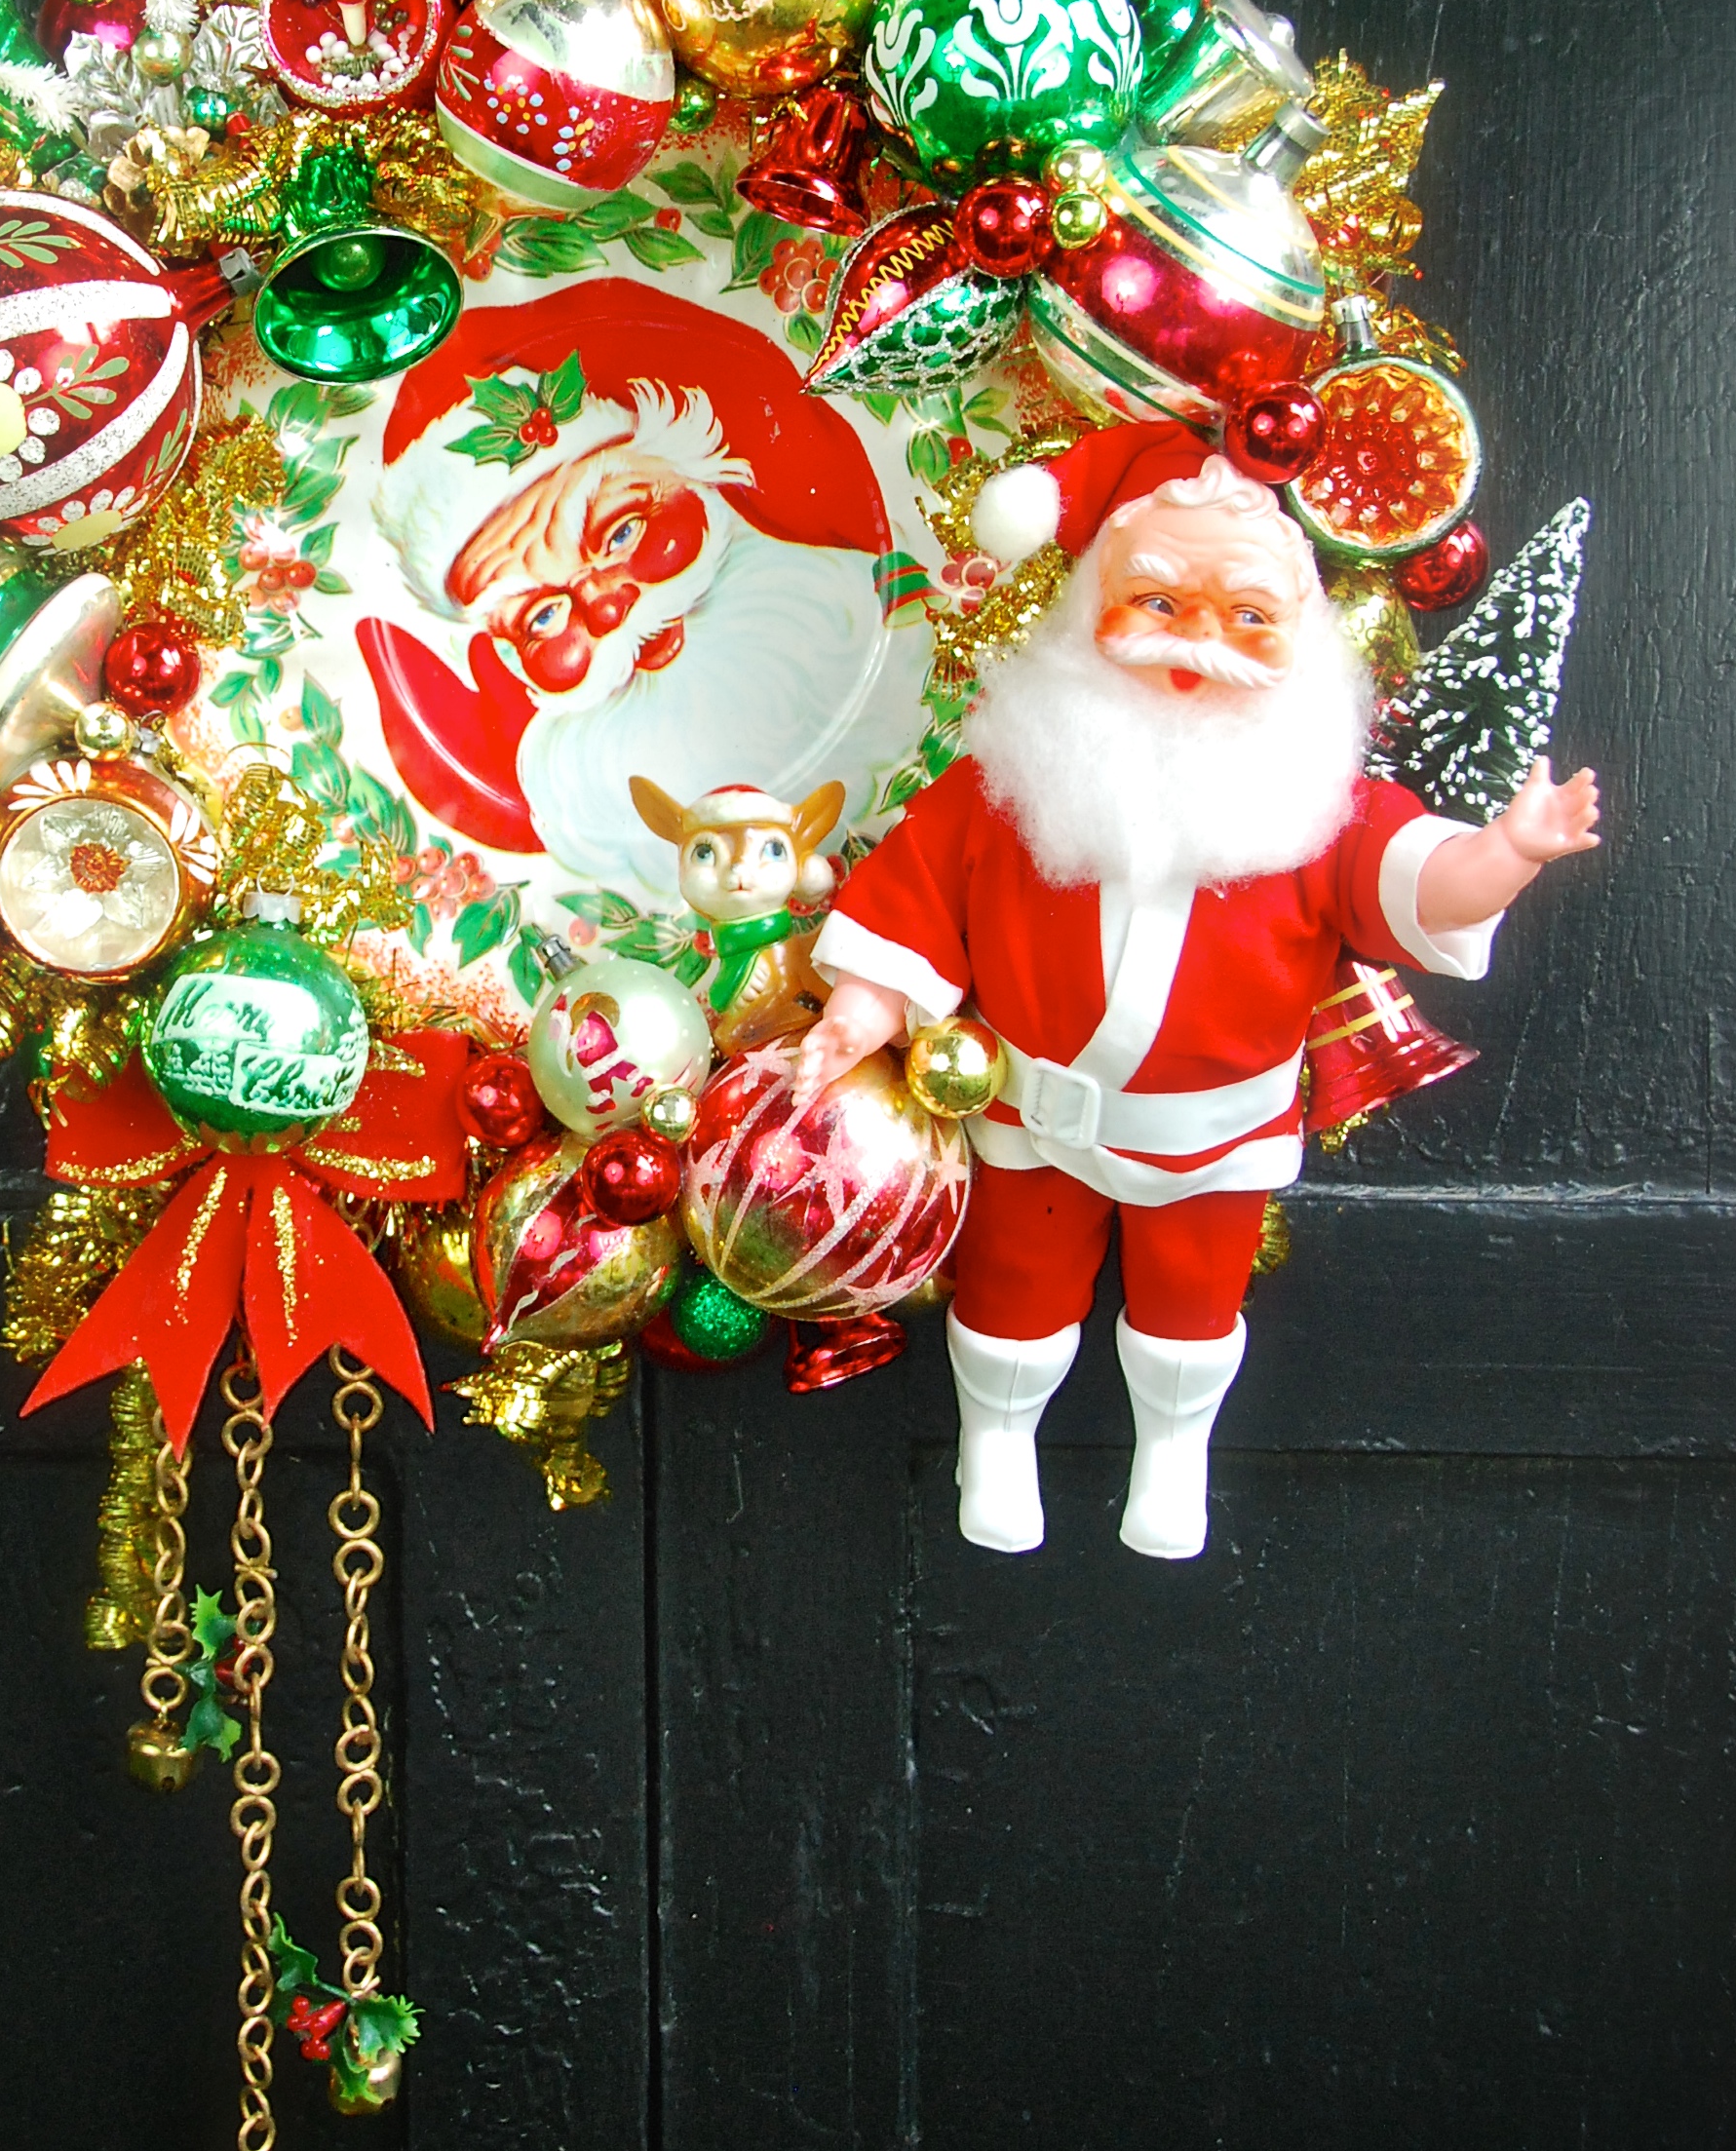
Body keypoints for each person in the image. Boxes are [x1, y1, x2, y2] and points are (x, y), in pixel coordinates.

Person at [794, 448, 1600, 1560]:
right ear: (1091, 605)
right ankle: (996, 1439)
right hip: (1031, 1118)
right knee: (1011, 1296)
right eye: (1158, 601)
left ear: (1304, 637)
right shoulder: (1011, 778)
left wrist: (1506, 854)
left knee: (1191, 1311)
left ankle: (1174, 1455)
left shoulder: (1321, 802)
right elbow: (918, 894)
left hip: (1217, 1139)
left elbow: (1420, 883)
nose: (1194, 639)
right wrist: (867, 1003)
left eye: (1247, 615)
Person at [356, 281, 929, 897]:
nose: (606, 608)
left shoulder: (889, 609)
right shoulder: (574, 814)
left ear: (696, 473)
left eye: (622, 531)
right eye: (542, 617)